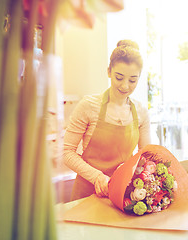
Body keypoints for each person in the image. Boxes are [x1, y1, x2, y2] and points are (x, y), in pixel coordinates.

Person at [63, 40, 151, 200]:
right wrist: (97, 177)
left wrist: (131, 168)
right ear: (109, 71)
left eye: (132, 80)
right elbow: (67, 152)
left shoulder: (141, 112)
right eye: (119, 77)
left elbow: (145, 155)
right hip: (86, 194)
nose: (125, 86)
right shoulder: (88, 106)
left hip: (123, 194)